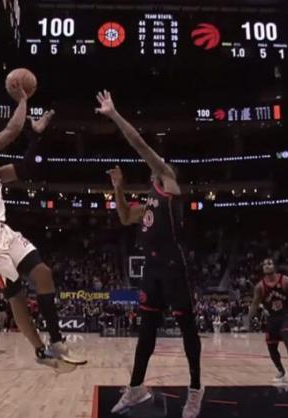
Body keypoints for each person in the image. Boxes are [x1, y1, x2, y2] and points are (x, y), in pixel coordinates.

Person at [0, 79, 84, 367]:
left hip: (3, 232)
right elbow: (11, 131)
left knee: (42, 272)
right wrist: (22, 99)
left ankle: (57, 342)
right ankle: (41, 350)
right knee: (16, 294)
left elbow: (27, 167)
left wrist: (37, 137)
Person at [96, 91, 203, 418]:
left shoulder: (169, 182)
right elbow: (126, 217)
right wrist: (118, 186)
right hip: (152, 269)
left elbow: (139, 145)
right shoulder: (149, 200)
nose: (154, 162)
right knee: (146, 331)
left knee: (187, 329)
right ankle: (136, 388)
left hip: (174, 265)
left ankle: (196, 390)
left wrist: (114, 114)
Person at [246, 258, 288, 384]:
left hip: (287, 316)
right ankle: (281, 371)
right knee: (271, 346)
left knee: (287, 339)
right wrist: (247, 321)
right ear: (262, 269)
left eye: (269, 263)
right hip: (272, 318)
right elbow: (255, 305)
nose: (267, 265)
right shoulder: (260, 287)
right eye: (265, 264)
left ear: (274, 267)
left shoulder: (286, 281)